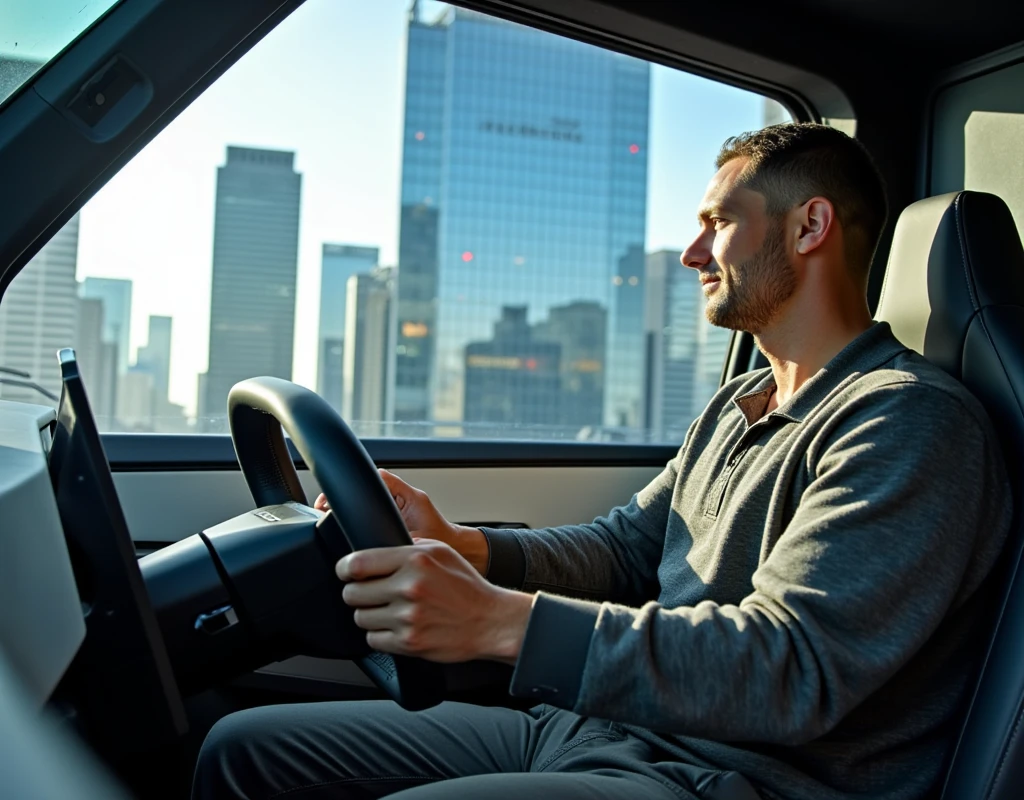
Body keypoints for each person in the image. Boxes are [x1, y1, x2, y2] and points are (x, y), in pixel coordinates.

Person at [192, 123, 1012, 800]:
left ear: (809, 227)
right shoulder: (740, 405)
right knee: (241, 752)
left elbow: (788, 667)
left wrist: (495, 622)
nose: (693, 254)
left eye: (718, 222)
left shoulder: (908, 422)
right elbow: (627, 550)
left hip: (733, 781)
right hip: (607, 731)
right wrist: (465, 545)